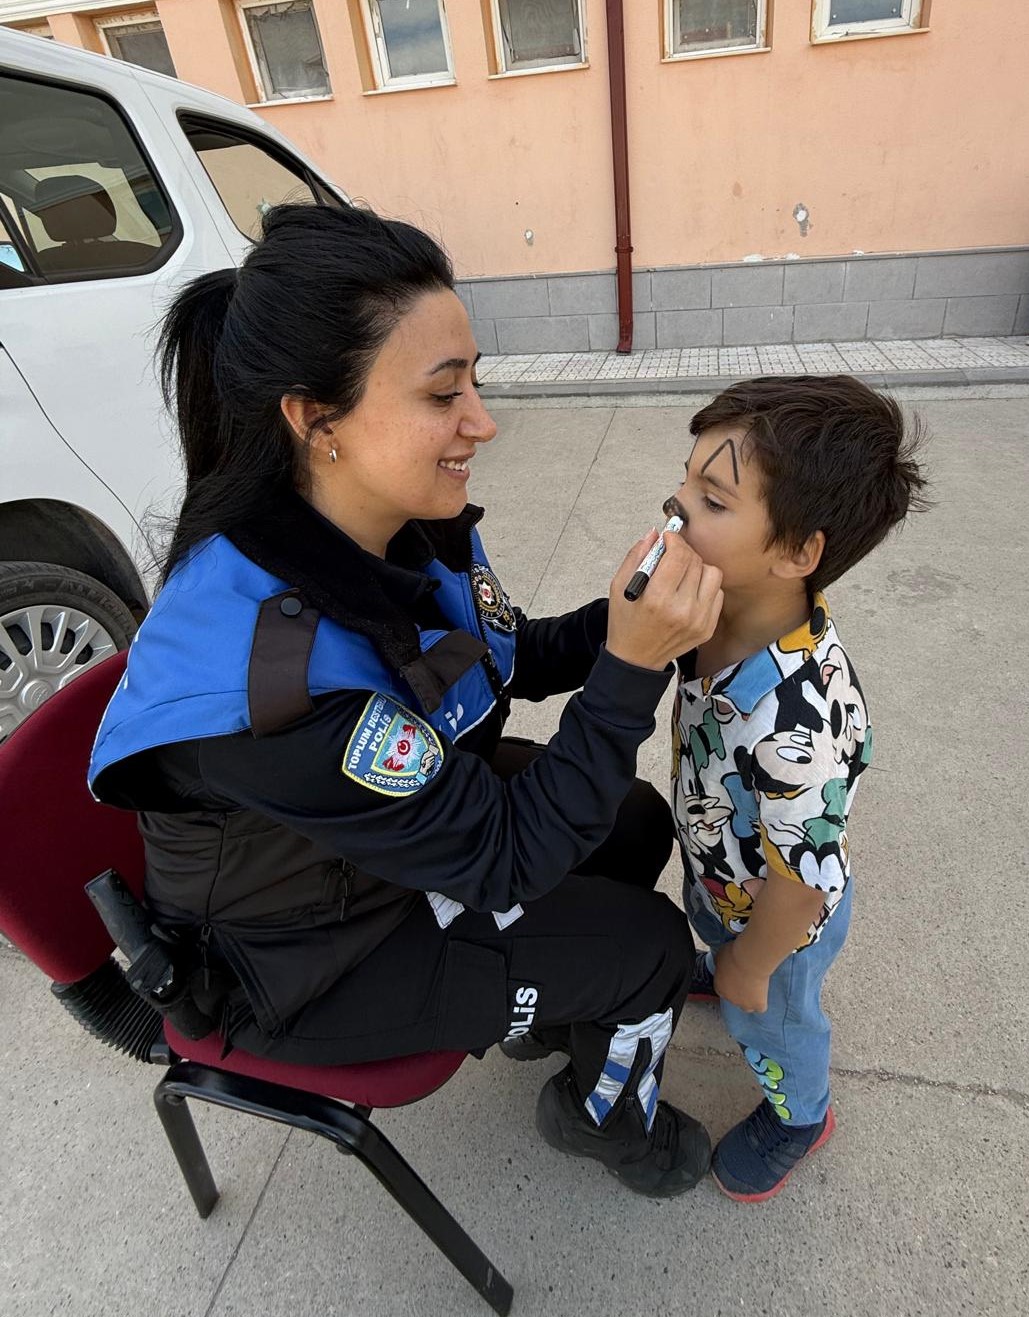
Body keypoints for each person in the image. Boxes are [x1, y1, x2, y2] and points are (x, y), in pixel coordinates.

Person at [87, 202, 725, 1199]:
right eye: (443, 393)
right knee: (648, 950)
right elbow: (505, 853)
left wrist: (625, 620)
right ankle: (606, 1122)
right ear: (314, 417)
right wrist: (637, 669)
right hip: (304, 958)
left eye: (476, 377)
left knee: (631, 820)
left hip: (370, 855)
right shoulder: (275, 680)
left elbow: (506, 659)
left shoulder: (393, 531)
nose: (482, 419)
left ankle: (553, 1012)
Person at [665, 375, 927, 1202]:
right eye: (685, 479)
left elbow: (805, 875)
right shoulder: (723, 612)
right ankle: (723, 952)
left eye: (711, 499)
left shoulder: (793, 731)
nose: (675, 507)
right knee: (719, 938)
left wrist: (752, 960)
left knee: (771, 1020)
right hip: (725, 869)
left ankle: (800, 1113)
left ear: (796, 552)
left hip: (780, 916)